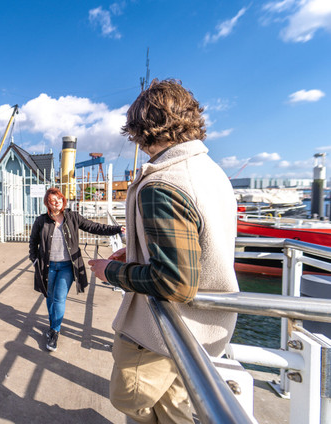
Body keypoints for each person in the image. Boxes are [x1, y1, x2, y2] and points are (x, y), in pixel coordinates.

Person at [89, 79, 239, 423]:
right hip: (205, 327)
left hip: (162, 330)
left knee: (128, 398)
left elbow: (175, 282)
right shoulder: (210, 172)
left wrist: (109, 272)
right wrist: (139, 246)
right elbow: (199, 238)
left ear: (143, 129)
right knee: (174, 409)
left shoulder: (162, 183)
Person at [29, 187, 122, 352]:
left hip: (67, 266)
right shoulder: (41, 221)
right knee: (49, 297)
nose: (56, 203)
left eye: (58, 199)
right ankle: (52, 326)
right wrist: (34, 259)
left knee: (59, 298)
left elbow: (94, 227)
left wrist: (116, 229)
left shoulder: (72, 217)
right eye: (52, 200)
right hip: (48, 266)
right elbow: (33, 241)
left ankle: (55, 332)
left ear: (63, 200)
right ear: (47, 203)